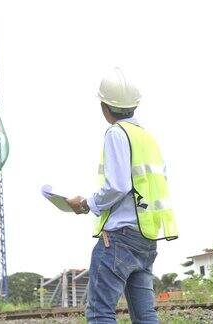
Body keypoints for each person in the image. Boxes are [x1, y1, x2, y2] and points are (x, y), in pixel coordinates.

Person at [67, 67, 178, 324]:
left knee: (99, 312)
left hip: (121, 237)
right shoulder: (147, 138)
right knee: (144, 314)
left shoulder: (117, 134)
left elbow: (117, 185)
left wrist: (86, 204)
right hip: (147, 238)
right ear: (135, 105)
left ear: (105, 106)